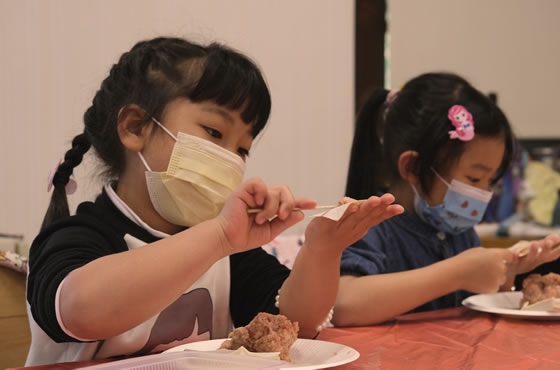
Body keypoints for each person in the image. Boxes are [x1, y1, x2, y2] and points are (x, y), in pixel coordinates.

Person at [25, 36, 404, 365]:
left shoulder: (225, 247)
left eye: (242, 148)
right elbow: (81, 312)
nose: (229, 158)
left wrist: (322, 249)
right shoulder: (78, 235)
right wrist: (219, 236)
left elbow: (296, 323)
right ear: (135, 128)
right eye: (213, 132)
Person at [334, 72, 560, 326]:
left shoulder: (458, 232)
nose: (484, 194)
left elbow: (471, 315)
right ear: (412, 167)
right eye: (475, 179)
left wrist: (507, 273)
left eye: (490, 182)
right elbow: (343, 305)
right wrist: (457, 273)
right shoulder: (369, 224)